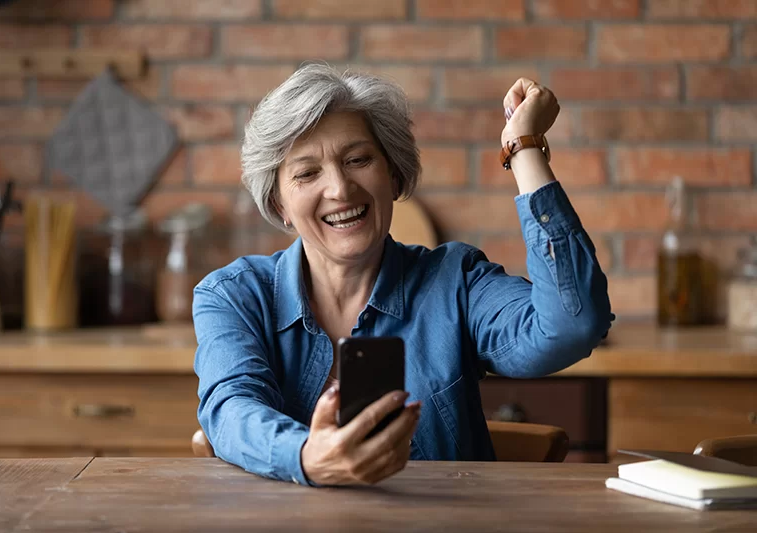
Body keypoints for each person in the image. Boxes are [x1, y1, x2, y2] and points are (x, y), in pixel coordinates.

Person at [193, 63, 613, 487]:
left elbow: (573, 324)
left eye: (358, 159)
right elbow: (230, 408)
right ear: (279, 205)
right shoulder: (234, 296)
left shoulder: (456, 281)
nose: (340, 188)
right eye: (306, 173)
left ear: (393, 176)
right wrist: (307, 457)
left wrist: (523, 147)